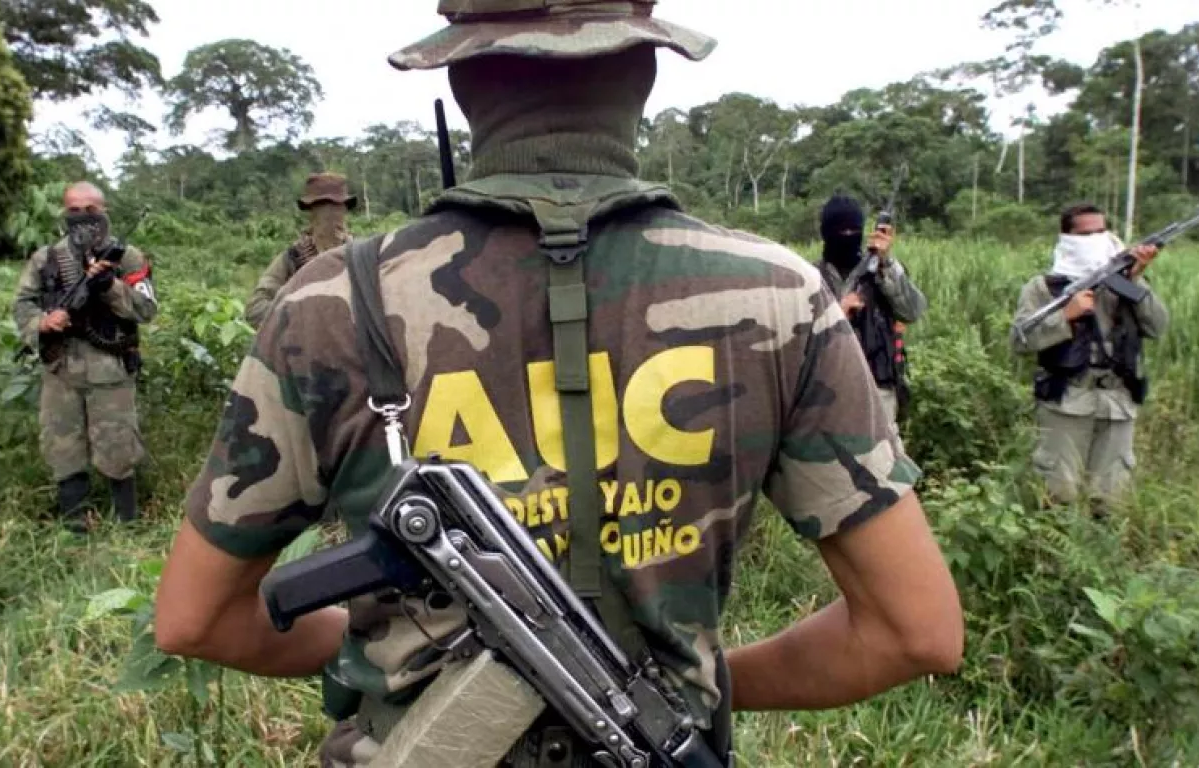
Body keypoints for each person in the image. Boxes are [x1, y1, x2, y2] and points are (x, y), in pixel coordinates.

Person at [154, 3, 964, 766]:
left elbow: (195, 619)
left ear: (461, 78)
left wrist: (397, 663)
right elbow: (914, 631)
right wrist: (693, 689)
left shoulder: (336, 301)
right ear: (646, 68)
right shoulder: (778, 295)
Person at [12, 182, 157, 532]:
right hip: (60, 367)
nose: (82, 218)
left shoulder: (127, 257)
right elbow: (22, 304)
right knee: (62, 445)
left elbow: (146, 309)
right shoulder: (46, 258)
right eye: (73, 210)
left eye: (90, 210)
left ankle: (126, 524)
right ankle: (74, 523)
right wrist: (42, 323)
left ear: (104, 210)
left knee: (118, 445)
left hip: (111, 368)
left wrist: (109, 286)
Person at [1011, 203, 1166, 510]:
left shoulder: (1125, 282)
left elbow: (1158, 327)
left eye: (1101, 232)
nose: (1096, 240)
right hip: (1067, 400)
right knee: (1059, 494)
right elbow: (1019, 340)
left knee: (1110, 497)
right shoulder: (1043, 288)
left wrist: (1135, 281)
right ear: (1067, 238)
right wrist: (1064, 316)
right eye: (1086, 234)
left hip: (1117, 403)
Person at [814, 195, 927, 450]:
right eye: (840, 230)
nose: (847, 236)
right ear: (826, 233)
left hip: (878, 388)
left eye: (853, 230)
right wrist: (837, 313)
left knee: (886, 465)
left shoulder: (880, 270)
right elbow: (798, 340)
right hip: (827, 393)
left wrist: (885, 263)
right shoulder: (811, 277)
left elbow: (912, 311)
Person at [244, 173, 356, 330]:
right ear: (312, 214)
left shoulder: (359, 256)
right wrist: (300, 316)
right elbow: (255, 308)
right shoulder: (293, 258)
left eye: (337, 207)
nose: (332, 215)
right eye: (324, 208)